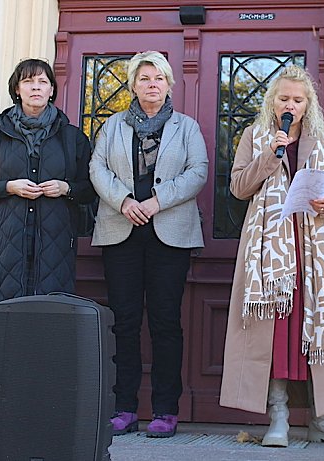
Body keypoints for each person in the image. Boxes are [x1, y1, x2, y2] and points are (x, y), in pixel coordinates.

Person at [219, 65, 324, 447]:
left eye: (298, 100)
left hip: (312, 251)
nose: (291, 105)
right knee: (277, 332)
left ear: (307, 103)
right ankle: (277, 416)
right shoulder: (256, 135)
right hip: (269, 253)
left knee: (317, 328)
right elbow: (238, 186)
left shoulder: (323, 141)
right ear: (272, 101)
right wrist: (270, 155)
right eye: (284, 98)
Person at [89, 51, 208, 439]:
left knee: (165, 322)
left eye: (158, 78)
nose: (152, 84)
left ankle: (165, 410)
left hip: (169, 234)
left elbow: (198, 172)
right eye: (144, 78)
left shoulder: (186, 127)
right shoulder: (112, 127)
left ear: (169, 84)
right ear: (133, 85)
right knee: (123, 323)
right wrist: (124, 201)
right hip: (120, 231)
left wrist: (157, 201)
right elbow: (97, 168)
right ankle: (123, 407)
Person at [0, 58, 95, 345]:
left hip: (56, 245)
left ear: (52, 90)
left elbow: (89, 192)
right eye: (28, 81)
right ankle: (5, 390)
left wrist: (66, 188)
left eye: (42, 82)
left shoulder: (73, 137)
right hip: (7, 244)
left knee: (49, 329)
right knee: (6, 329)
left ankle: (44, 389)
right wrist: (9, 187)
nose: (35, 87)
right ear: (17, 89)